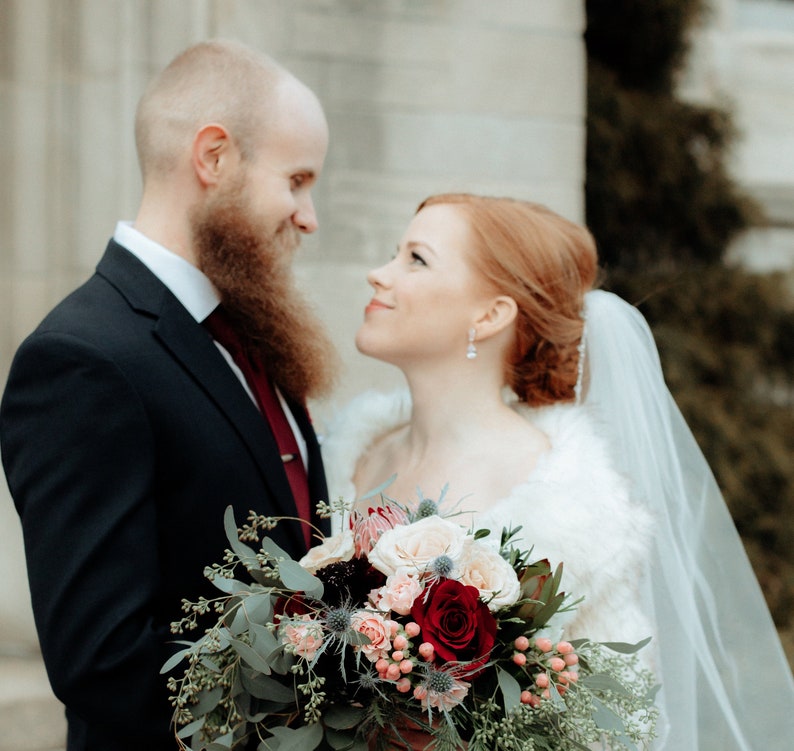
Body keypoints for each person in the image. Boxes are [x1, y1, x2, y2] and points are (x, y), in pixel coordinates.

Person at [321, 193, 794, 749]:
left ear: (491, 314)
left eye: (416, 260)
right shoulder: (340, 457)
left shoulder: (576, 507)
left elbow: (615, 730)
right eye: (393, 254)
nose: (379, 275)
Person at [0, 40, 337, 751]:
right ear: (213, 157)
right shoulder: (83, 358)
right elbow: (104, 659)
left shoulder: (252, 327)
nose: (309, 216)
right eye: (297, 179)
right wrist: (336, 686)